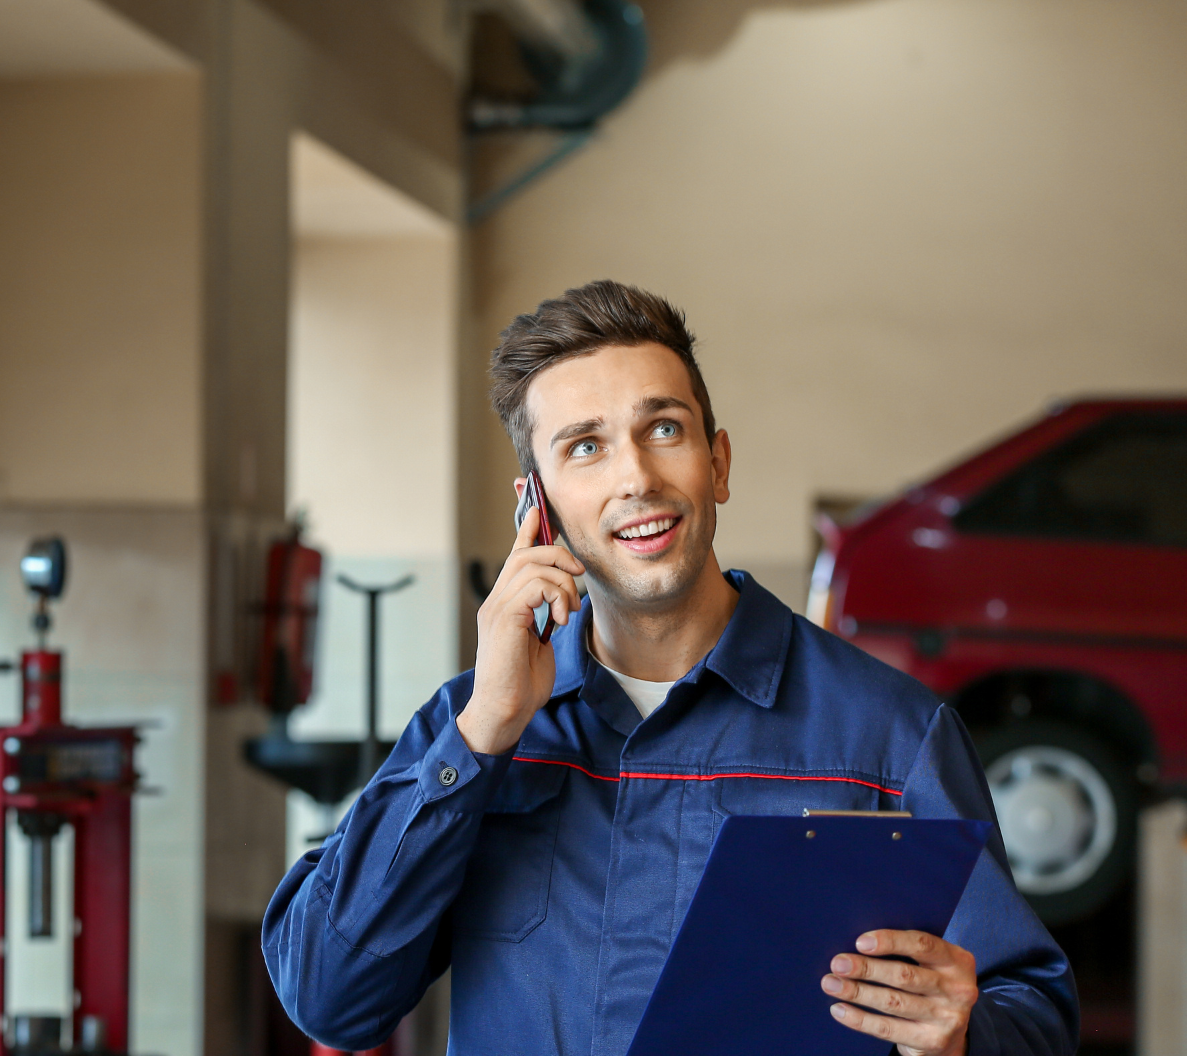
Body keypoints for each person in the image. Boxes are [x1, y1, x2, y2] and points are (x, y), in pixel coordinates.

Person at [263, 281, 1078, 1056]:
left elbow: (1030, 1011)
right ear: (534, 506)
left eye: (663, 430)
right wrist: (481, 735)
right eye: (586, 447)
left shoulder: (888, 738)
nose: (637, 478)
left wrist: (962, 1034)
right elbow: (329, 995)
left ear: (716, 463)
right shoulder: (475, 728)